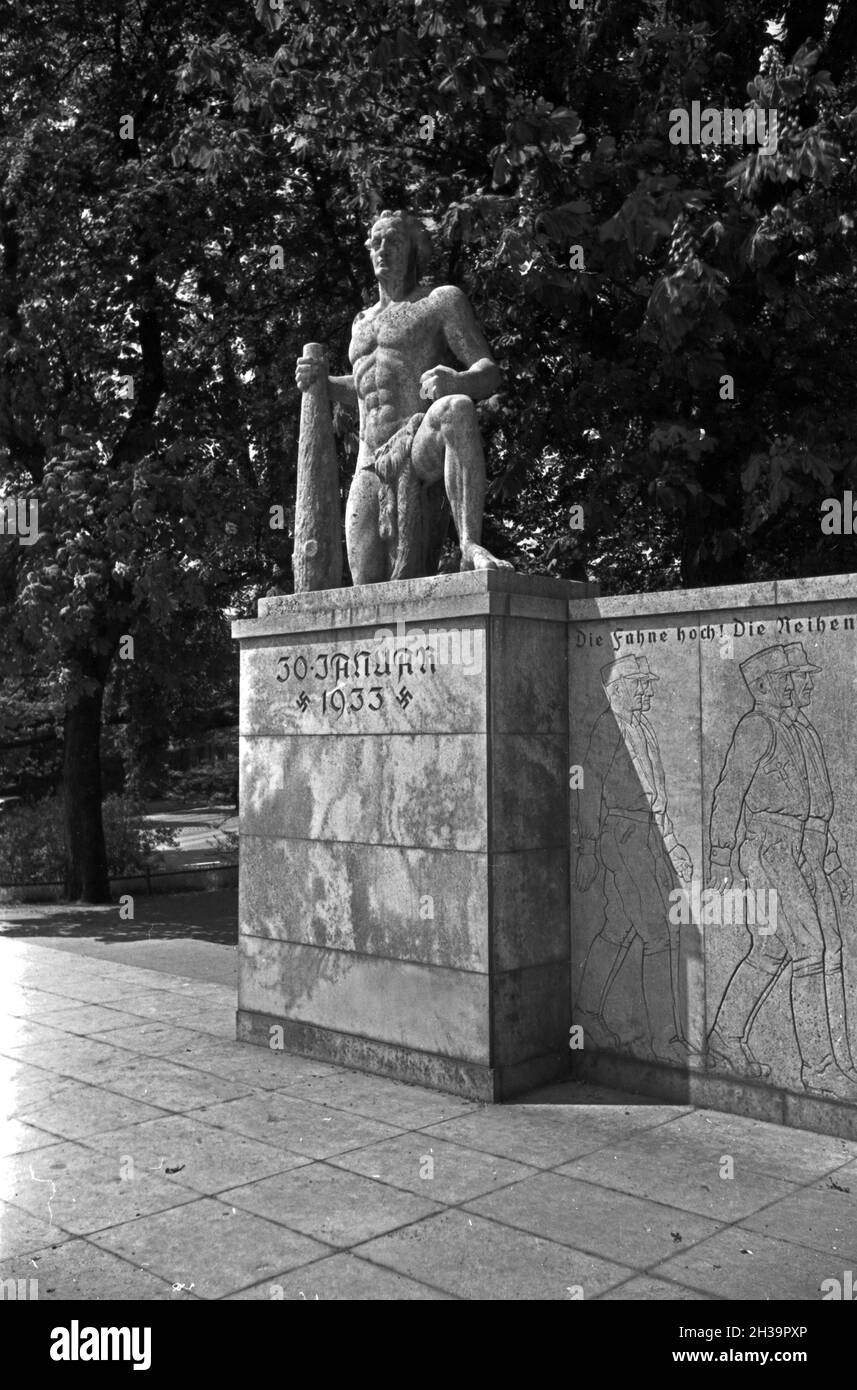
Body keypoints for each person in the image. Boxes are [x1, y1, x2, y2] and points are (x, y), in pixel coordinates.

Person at [295, 209, 513, 583]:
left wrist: (457, 380)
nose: (383, 250)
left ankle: (469, 544)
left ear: (413, 250)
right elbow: (364, 388)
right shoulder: (361, 322)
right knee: (368, 585)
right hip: (369, 456)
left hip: (417, 441)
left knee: (455, 409)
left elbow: (488, 371)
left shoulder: (440, 301)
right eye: (376, 243)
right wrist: (323, 383)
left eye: (393, 242)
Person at [706, 645, 857, 1100]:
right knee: (811, 949)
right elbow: (730, 791)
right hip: (770, 850)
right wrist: (721, 856)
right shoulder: (758, 727)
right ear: (771, 684)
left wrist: (830, 861)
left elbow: (816, 808)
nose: (805, 683)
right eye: (796, 676)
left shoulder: (801, 728)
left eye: (804, 676)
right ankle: (819, 1068)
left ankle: (727, 1038)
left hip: (806, 850)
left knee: (783, 949)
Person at [574, 654, 695, 1063]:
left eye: (647, 684)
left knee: (618, 928)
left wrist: (672, 842)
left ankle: (588, 1012)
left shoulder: (641, 728)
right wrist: (589, 848)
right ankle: (665, 1040)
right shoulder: (608, 728)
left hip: (648, 835)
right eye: (640, 684)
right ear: (619, 688)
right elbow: (588, 789)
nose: (647, 690)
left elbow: (655, 796)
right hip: (623, 838)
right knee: (658, 932)